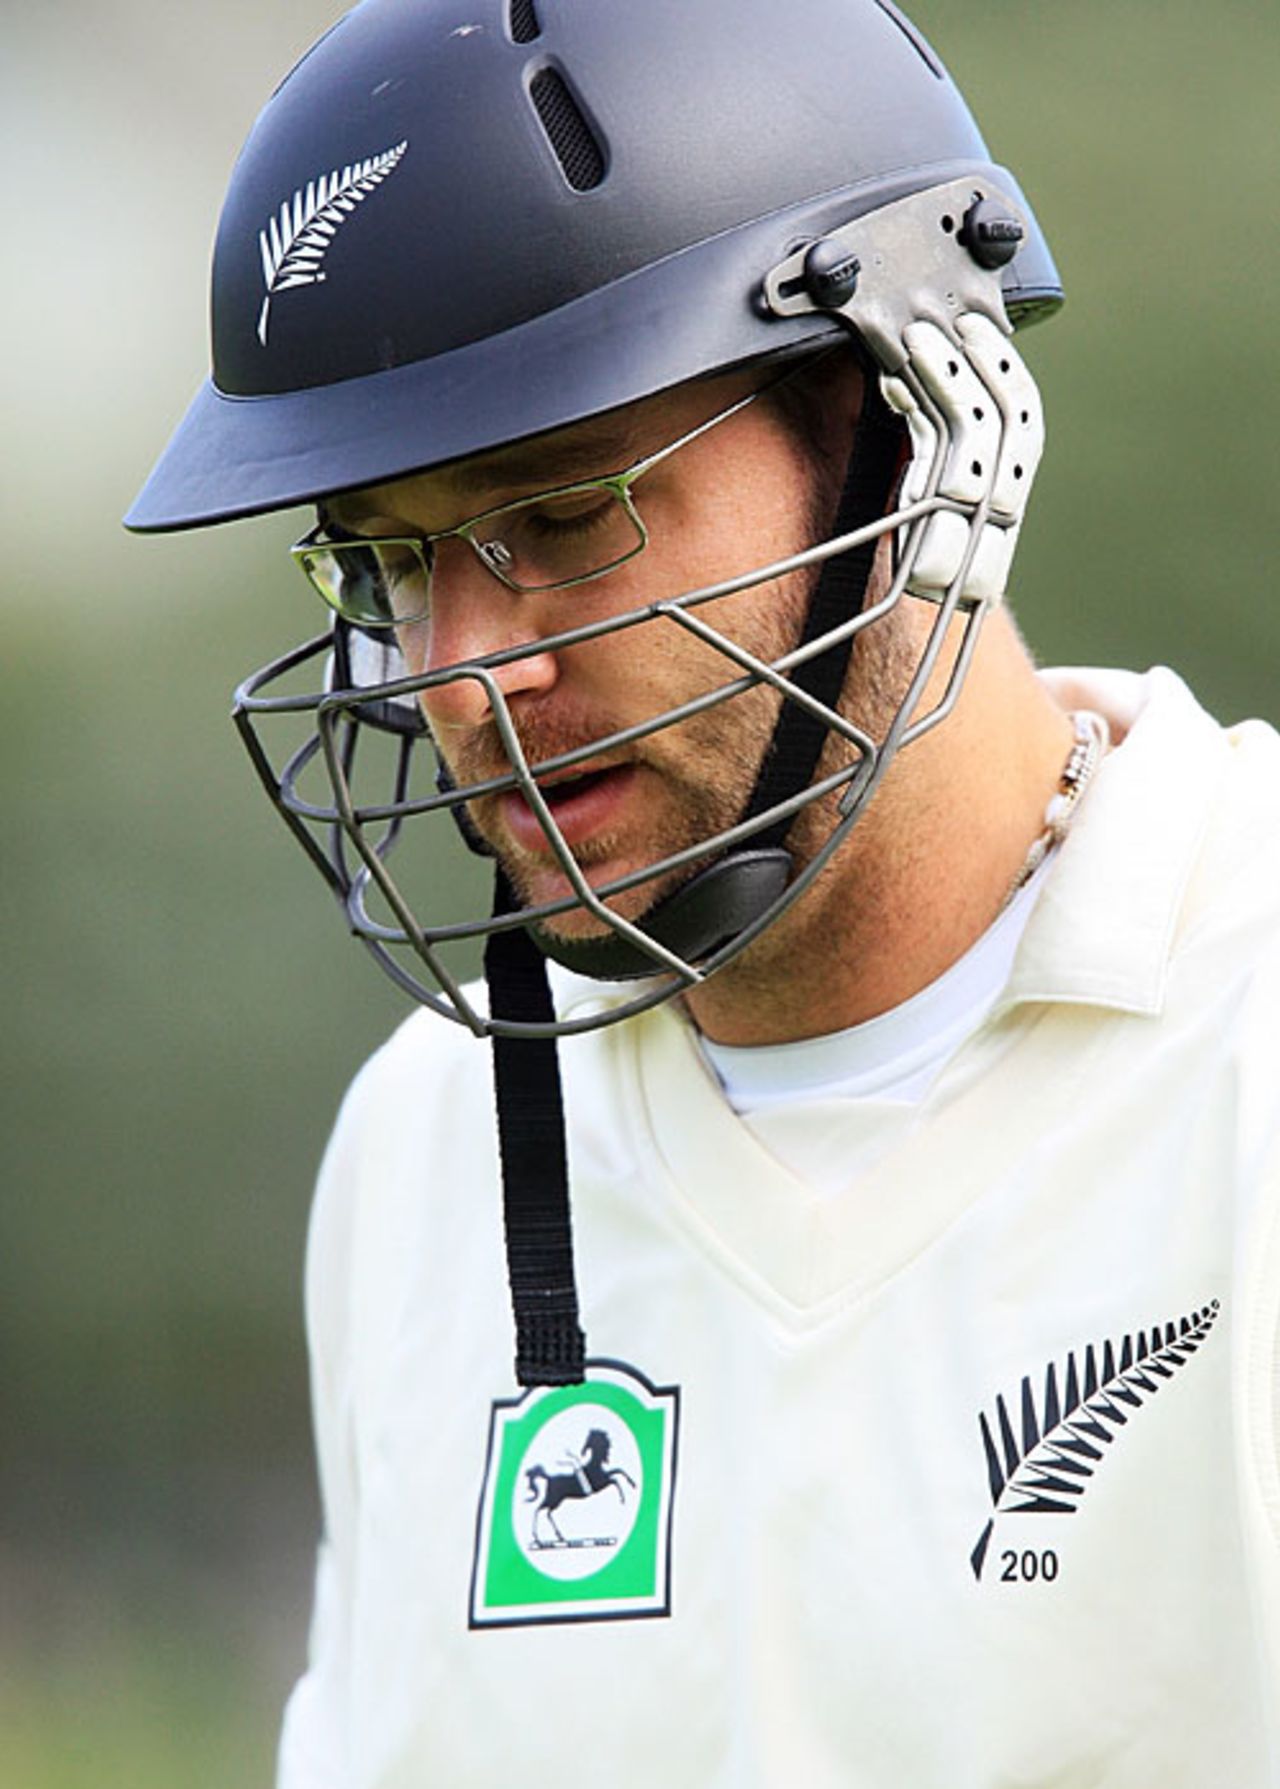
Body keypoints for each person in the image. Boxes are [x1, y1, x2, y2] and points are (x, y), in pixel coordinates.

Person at [128, 0, 1280, 1781]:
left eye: (566, 514)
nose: (458, 673)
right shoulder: (424, 1148)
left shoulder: (1243, 1045)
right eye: (391, 557)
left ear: (912, 434)